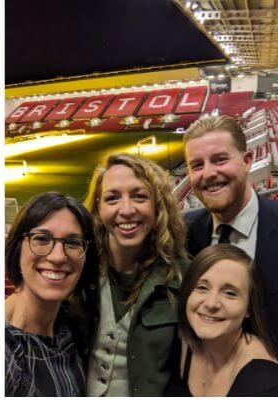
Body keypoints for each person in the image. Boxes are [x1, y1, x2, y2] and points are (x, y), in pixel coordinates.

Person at [182, 114, 278, 382]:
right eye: (197, 165)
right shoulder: (183, 234)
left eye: (220, 159)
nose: (209, 173)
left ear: (247, 161)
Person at [80, 152, 189, 396]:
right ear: (98, 206)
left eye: (139, 196)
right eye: (112, 198)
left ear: (157, 204)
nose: (126, 210)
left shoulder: (185, 279)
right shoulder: (79, 270)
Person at [164, 244, 278, 396]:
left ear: (249, 308)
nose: (211, 303)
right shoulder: (180, 344)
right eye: (202, 287)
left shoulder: (271, 388)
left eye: (230, 293)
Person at [5, 192, 97, 396]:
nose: (57, 256)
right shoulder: (7, 354)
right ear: (18, 247)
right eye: (42, 239)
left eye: (73, 243)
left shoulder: (70, 329)